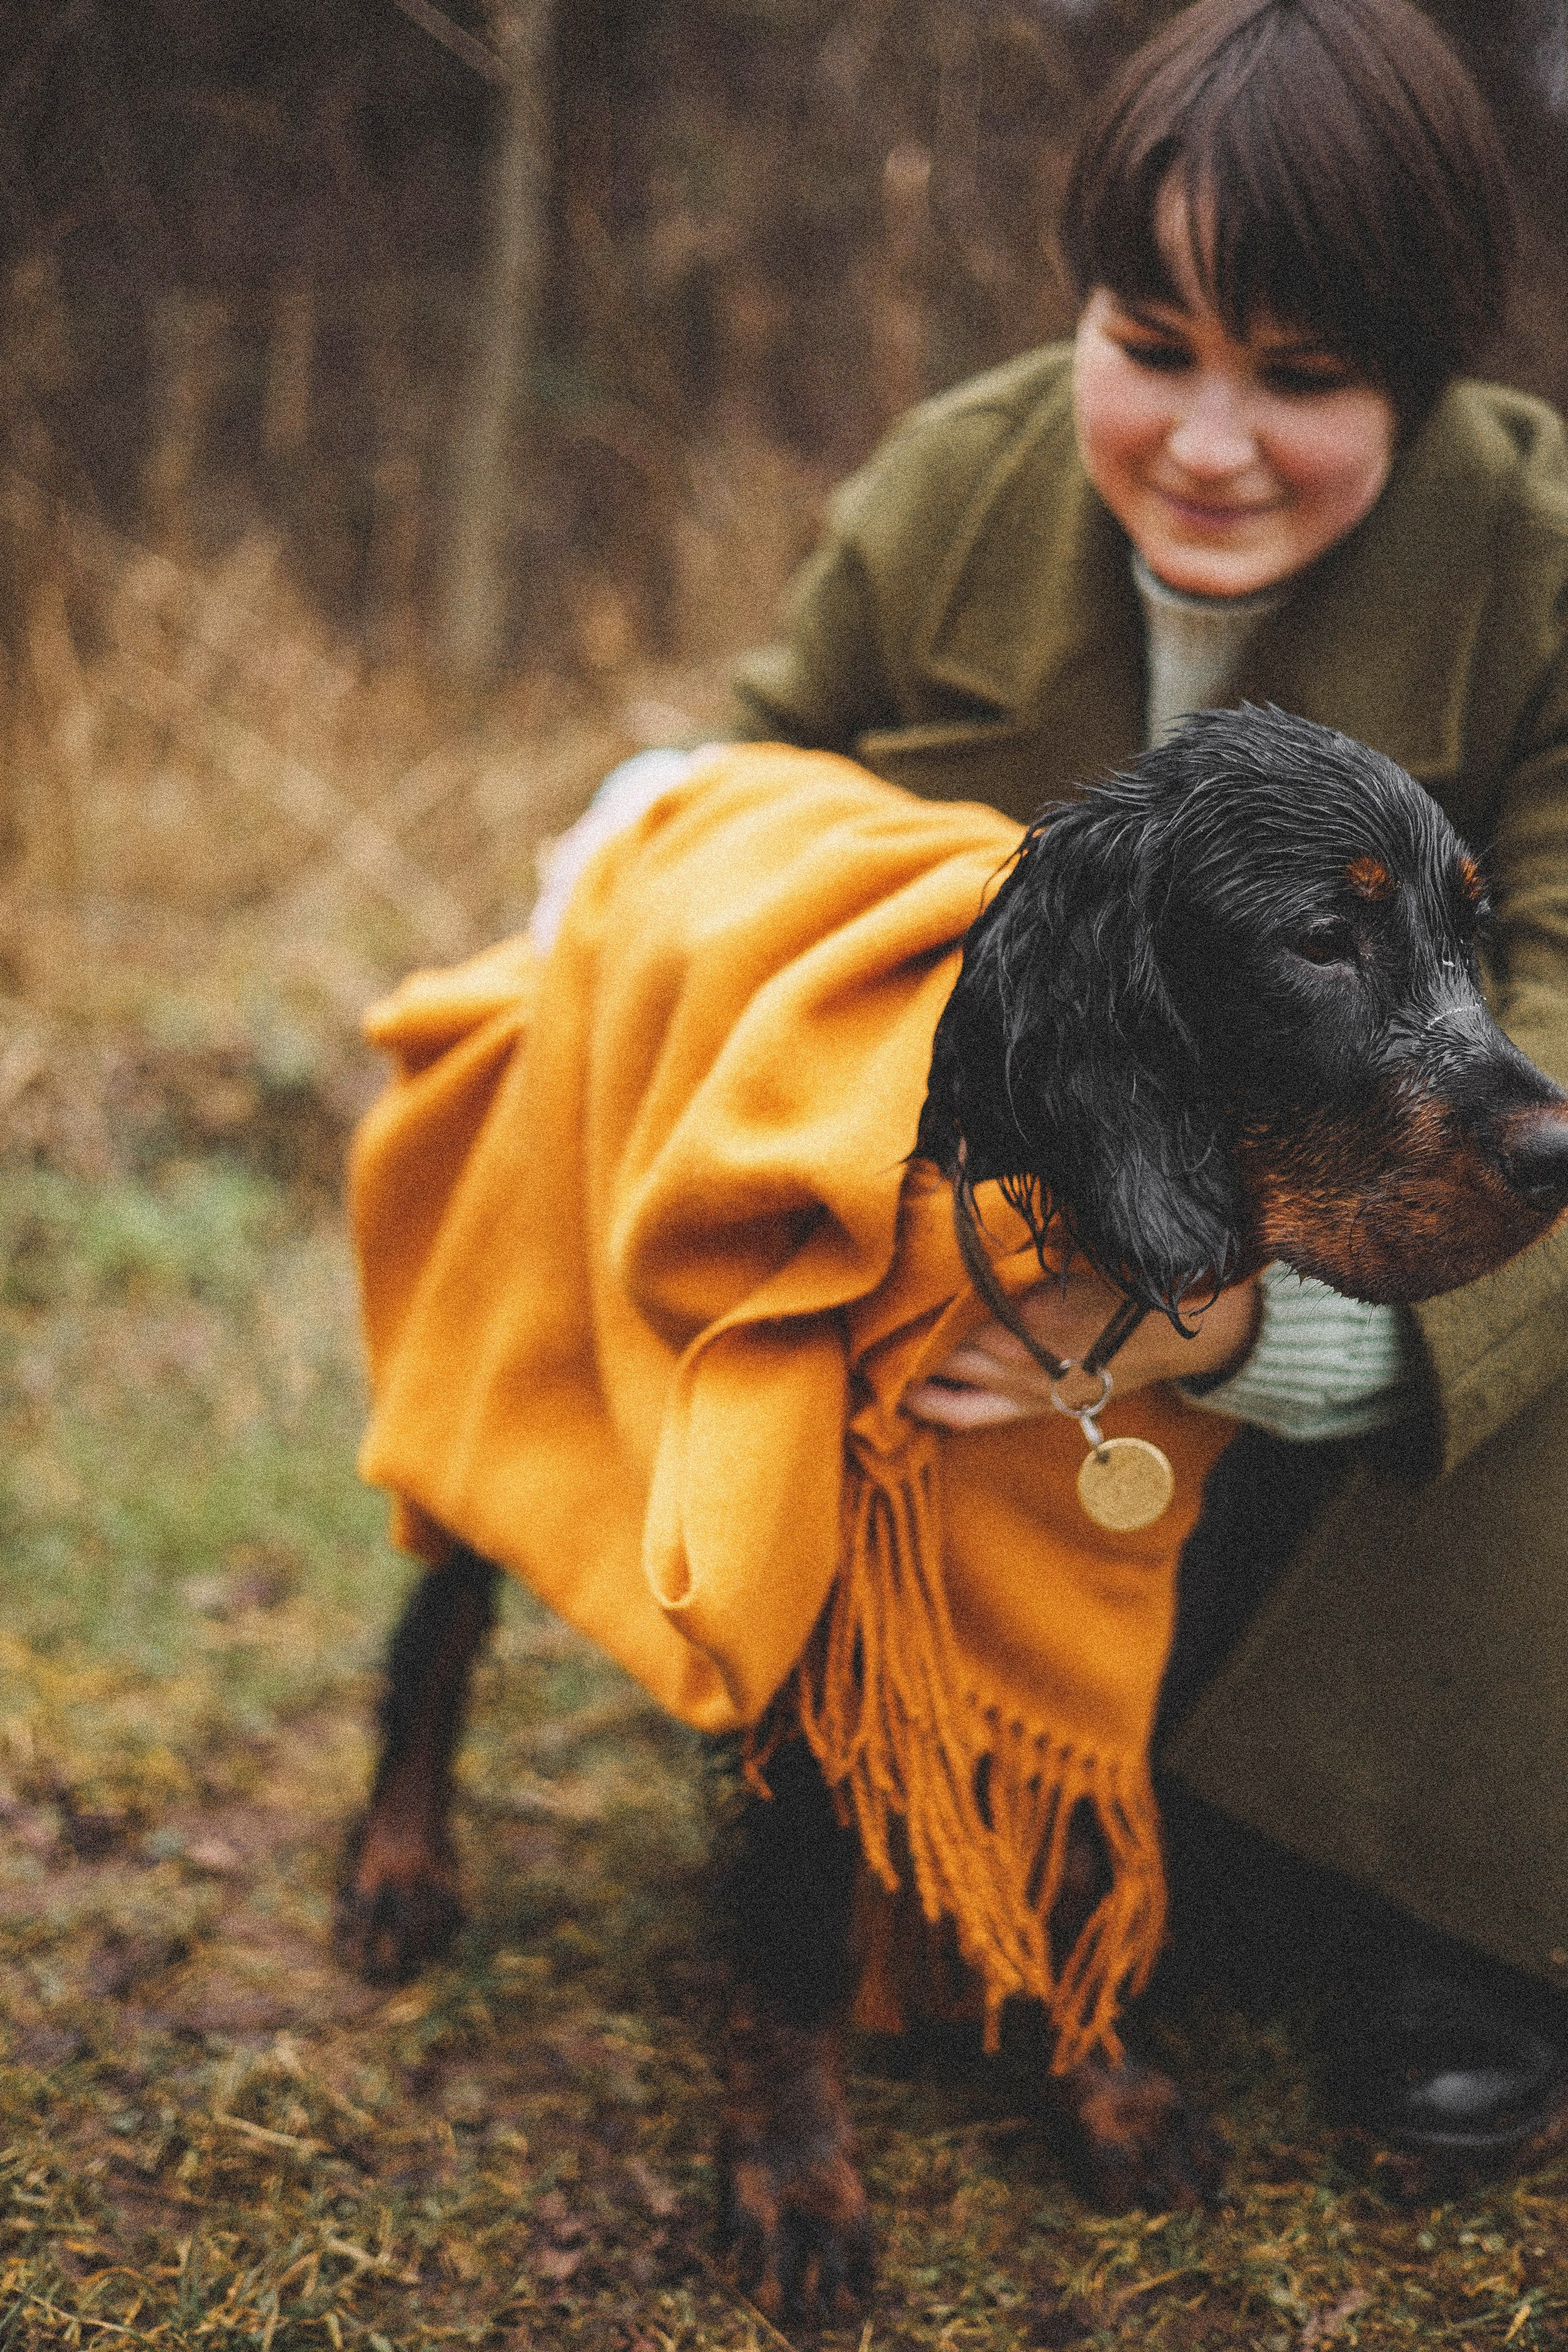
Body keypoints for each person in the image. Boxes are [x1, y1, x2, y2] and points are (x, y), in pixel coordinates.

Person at [720, 0, 1568, 2165]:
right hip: (980, 1281)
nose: (1207, 442)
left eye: (1306, 375)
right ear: (1078, 306)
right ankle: (897, 1739)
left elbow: (1557, 1018)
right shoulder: (953, 481)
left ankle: (1439, 1900)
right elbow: (741, 801)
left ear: (1430, 377)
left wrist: (1247, 1325)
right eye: (1149, 341)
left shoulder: (1544, 561)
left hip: (1368, 1337)